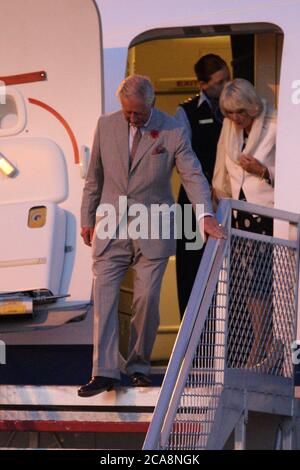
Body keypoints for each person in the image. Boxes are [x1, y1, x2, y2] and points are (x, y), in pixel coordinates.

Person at [78, 75, 224, 397]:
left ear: (152, 103)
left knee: (146, 300)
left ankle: (139, 365)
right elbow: (94, 177)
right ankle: (104, 371)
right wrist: (87, 217)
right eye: (127, 112)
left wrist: (205, 215)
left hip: (154, 226)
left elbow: (192, 174)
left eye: (138, 114)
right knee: (104, 297)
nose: (132, 119)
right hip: (110, 226)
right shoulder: (105, 125)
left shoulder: (172, 129)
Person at [213, 78, 277, 370]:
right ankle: (261, 344)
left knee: (264, 284)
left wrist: (263, 171)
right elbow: (222, 169)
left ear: (252, 105)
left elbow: (292, 169)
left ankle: (261, 346)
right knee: (251, 284)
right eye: (229, 113)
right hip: (239, 215)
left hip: (269, 215)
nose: (235, 119)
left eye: (239, 112)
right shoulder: (229, 128)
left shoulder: (276, 123)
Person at [175, 54, 230, 318]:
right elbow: (183, 158)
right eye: (220, 82)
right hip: (193, 201)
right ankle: (191, 343)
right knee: (192, 270)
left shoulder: (234, 108)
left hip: (227, 197)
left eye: (228, 78)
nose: (226, 86)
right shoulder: (186, 112)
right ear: (203, 84)